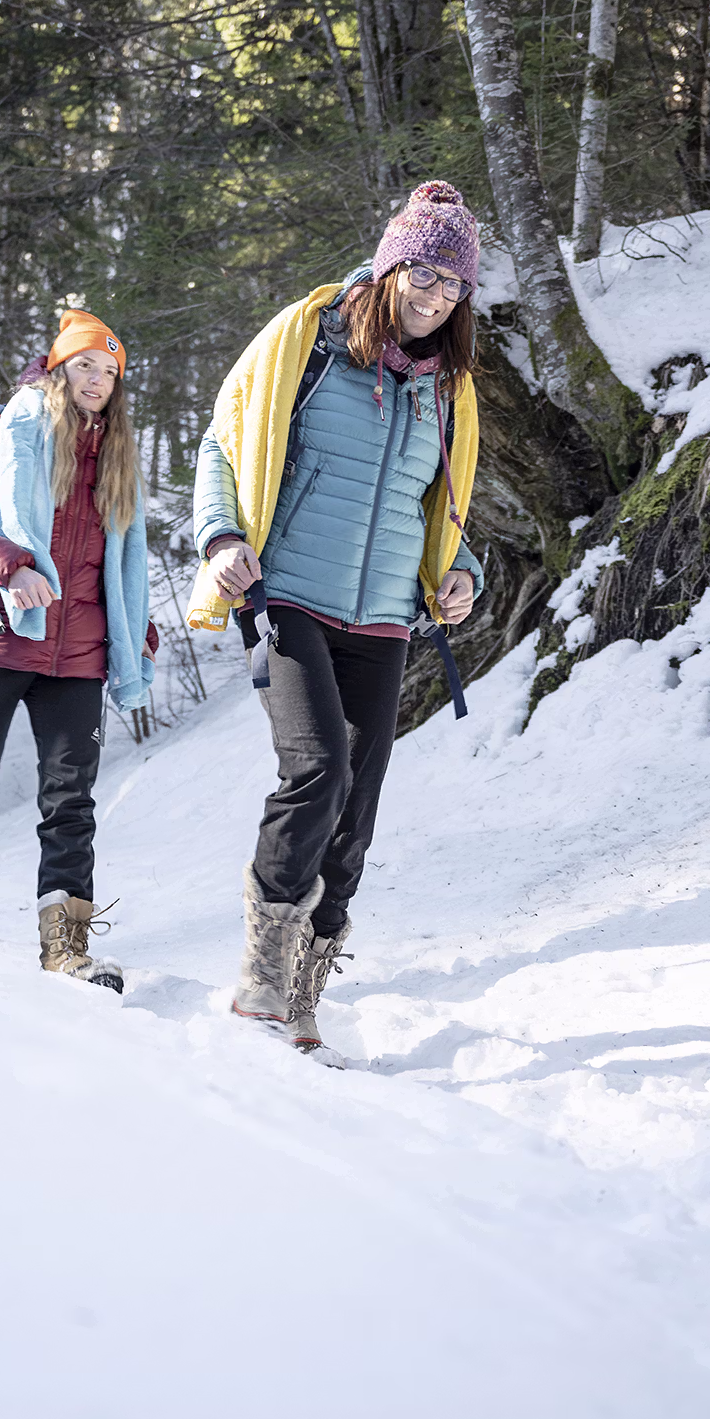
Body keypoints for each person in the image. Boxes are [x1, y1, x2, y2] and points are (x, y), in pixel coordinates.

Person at [188, 180, 485, 1063]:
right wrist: (219, 535)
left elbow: (446, 504)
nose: (434, 296)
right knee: (317, 766)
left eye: (452, 285)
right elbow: (222, 437)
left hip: (388, 613)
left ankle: (309, 989)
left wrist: (462, 571)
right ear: (393, 264)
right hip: (289, 594)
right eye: (423, 273)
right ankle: (263, 971)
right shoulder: (308, 341)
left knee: (358, 803)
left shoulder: (450, 387)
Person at [0, 308, 156, 994]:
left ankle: (66, 951)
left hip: (75, 657)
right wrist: (8, 563)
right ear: (58, 368)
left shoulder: (118, 459)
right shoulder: (4, 431)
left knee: (70, 801)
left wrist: (137, 627)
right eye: (85, 365)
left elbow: (118, 563)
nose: (97, 380)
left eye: (110, 371)